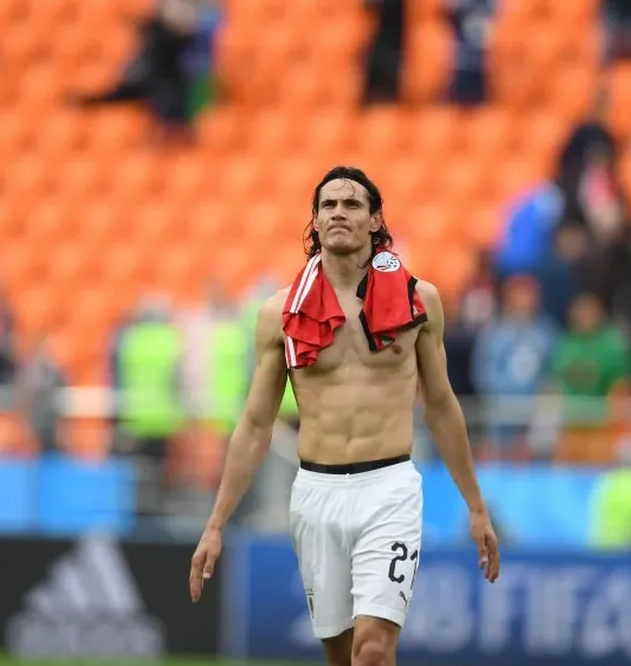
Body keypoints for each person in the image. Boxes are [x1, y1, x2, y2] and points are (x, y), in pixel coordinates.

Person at [189, 166, 500, 666]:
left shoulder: (421, 302)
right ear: (313, 221)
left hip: (390, 489)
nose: (339, 212)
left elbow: (441, 405)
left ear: (376, 220)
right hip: (316, 494)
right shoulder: (279, 314)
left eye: (352, 204)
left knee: (373, 651)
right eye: (328, 205)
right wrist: (216, 522)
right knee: (341, 656)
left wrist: (476, 506)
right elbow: (255, 422)